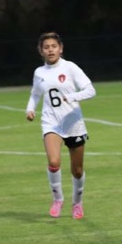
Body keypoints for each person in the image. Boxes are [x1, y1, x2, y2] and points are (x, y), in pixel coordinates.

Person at [26, 32, 96, 220]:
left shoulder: (70, 67)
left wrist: (73, 97)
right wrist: (30, 109)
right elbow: (35, 93)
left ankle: (77, 203)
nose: (50, 50)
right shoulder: (39, 72)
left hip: (73, 123)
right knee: (54, 162)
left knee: (77, 170)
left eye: (54, 46)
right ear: (41, 51)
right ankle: (58, 199)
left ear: (61, 48)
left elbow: (91, 90)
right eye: (46, 47)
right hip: (51, 123)